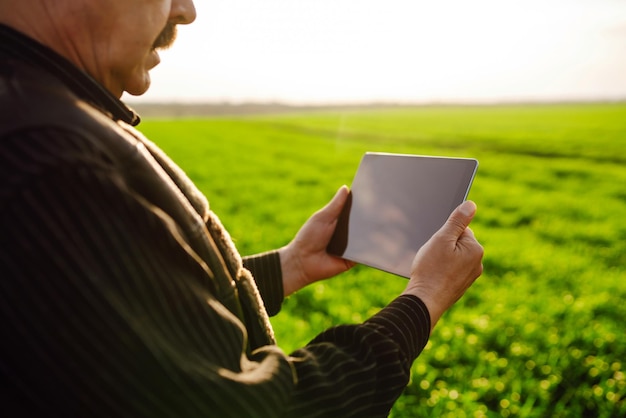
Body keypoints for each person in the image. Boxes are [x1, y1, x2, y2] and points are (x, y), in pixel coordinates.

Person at [0, 0, 484, 417]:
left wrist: (288, 266)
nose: (185, 11)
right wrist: (423, 299)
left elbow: (133, 314)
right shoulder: (49, 158)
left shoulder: (37, 108)